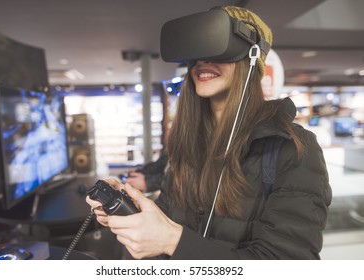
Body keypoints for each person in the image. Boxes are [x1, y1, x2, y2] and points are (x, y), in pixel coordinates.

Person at [86, 5, 332, 260]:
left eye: (219, 50)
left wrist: (173, 241)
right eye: (198, 53)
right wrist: (131, 210)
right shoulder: (188, 144)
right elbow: (165, 225)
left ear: (252, 58)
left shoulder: (291, 148)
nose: (203, 61)